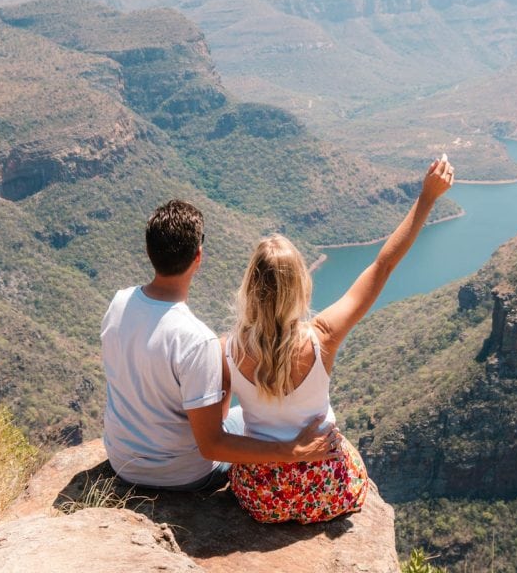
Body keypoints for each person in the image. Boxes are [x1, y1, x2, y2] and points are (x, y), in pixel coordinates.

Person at [224, 156, 454, 523]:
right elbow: (383, 265)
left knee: (235, 420)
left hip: (262, 496)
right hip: (327, 487)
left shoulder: (229, 348)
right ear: (301, 286)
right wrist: (427, 198)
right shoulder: (322, 338)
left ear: (250, 287)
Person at [101, 199, 340, 491]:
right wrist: (293, 450)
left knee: (242, 417)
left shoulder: (118, 303)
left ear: (149, 250)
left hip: (122, 460)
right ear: (198, 256)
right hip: (182, 476)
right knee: (256, 428)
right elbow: (212, 445)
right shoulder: (197, 340)